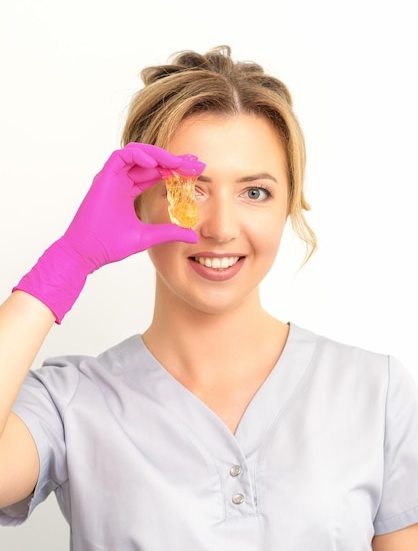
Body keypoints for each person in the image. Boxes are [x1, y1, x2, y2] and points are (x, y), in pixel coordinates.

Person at [0, 46, 417, 551]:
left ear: (290, 203)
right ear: (137, 201)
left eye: (255, 192)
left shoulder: (376, 393)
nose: (219, 229)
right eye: (190, 189)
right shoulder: (69, 404)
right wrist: (68, 261)